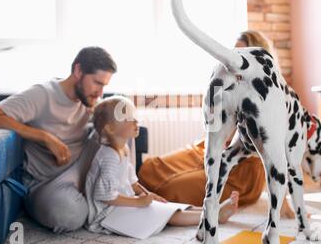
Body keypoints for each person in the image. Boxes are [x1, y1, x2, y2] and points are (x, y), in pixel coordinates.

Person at [138, 30, 298, 219]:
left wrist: (285, 201)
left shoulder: (276, 94)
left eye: (241, 55)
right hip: (208, 149)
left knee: (170, 190)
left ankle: (214, 211)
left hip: (240, 169)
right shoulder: (225, 80)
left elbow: (285, 148)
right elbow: (213, 124)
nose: (234, 62)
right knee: (149, 170)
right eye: (232, 54)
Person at [0, 46, 117, 233]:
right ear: (78, 71)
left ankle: (115, 195)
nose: (100, 92)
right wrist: (44, 137)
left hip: (81, 171)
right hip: (47, 183)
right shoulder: (42, 94)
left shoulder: (89, 101)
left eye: (104, 86)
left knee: (122, 122)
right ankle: (95, 204)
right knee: (68, 215)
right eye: (97, 83)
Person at [85, 95, 240, 234]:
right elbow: (104, 195)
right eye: (127, 119)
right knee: (168, 215)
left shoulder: (123, 149)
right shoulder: (109, 157)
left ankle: (214, 210)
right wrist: (137, 202)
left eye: (133, 116)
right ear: (110, 129)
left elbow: (133, 182)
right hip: (107, 214)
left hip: (122, 204)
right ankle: (214, 217)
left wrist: (148, 195)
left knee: (168, 206)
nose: (135, 121)